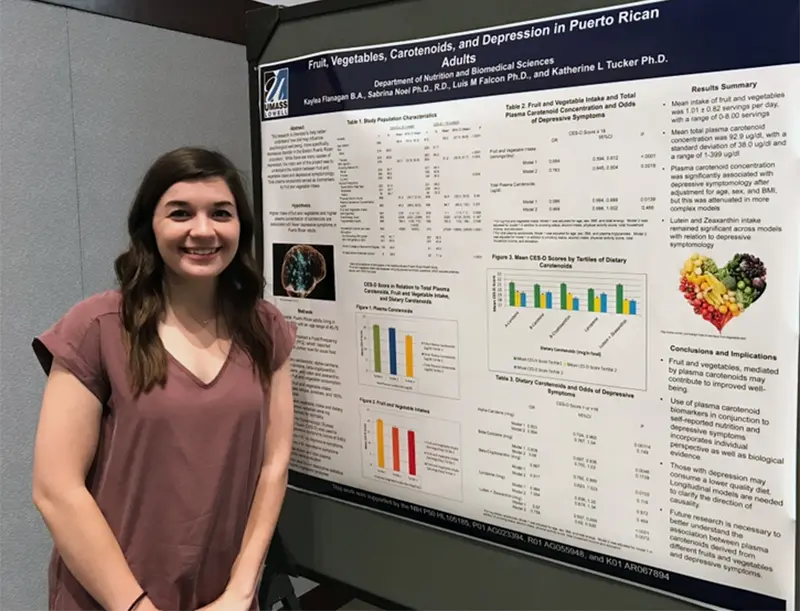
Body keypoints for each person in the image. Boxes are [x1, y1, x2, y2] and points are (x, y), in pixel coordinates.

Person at [30, 147, 296, 611]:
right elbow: (55, 489)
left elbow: (274, 465)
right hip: (110, 599)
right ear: (150, 226)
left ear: (241, 227)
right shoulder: (98, 328)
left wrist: (241, 592)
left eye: (220, 213)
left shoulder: (265, 328)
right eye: (180, 213)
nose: (203, 230)